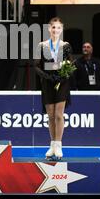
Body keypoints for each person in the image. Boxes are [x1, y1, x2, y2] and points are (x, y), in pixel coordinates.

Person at [34, 17, 73, 160]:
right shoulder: (42, 45)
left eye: (58, 28)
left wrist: (63, 76)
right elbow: (36, 65)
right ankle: (52, 144)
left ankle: (58, 145)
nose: (55, 30)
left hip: (62, 82)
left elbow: (70, 64)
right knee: (50, 116)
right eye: (53, 27)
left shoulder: (66, 45)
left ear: (61, 29)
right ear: (49, 29)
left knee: (58, 115)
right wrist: (47, 76)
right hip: (47, 82)